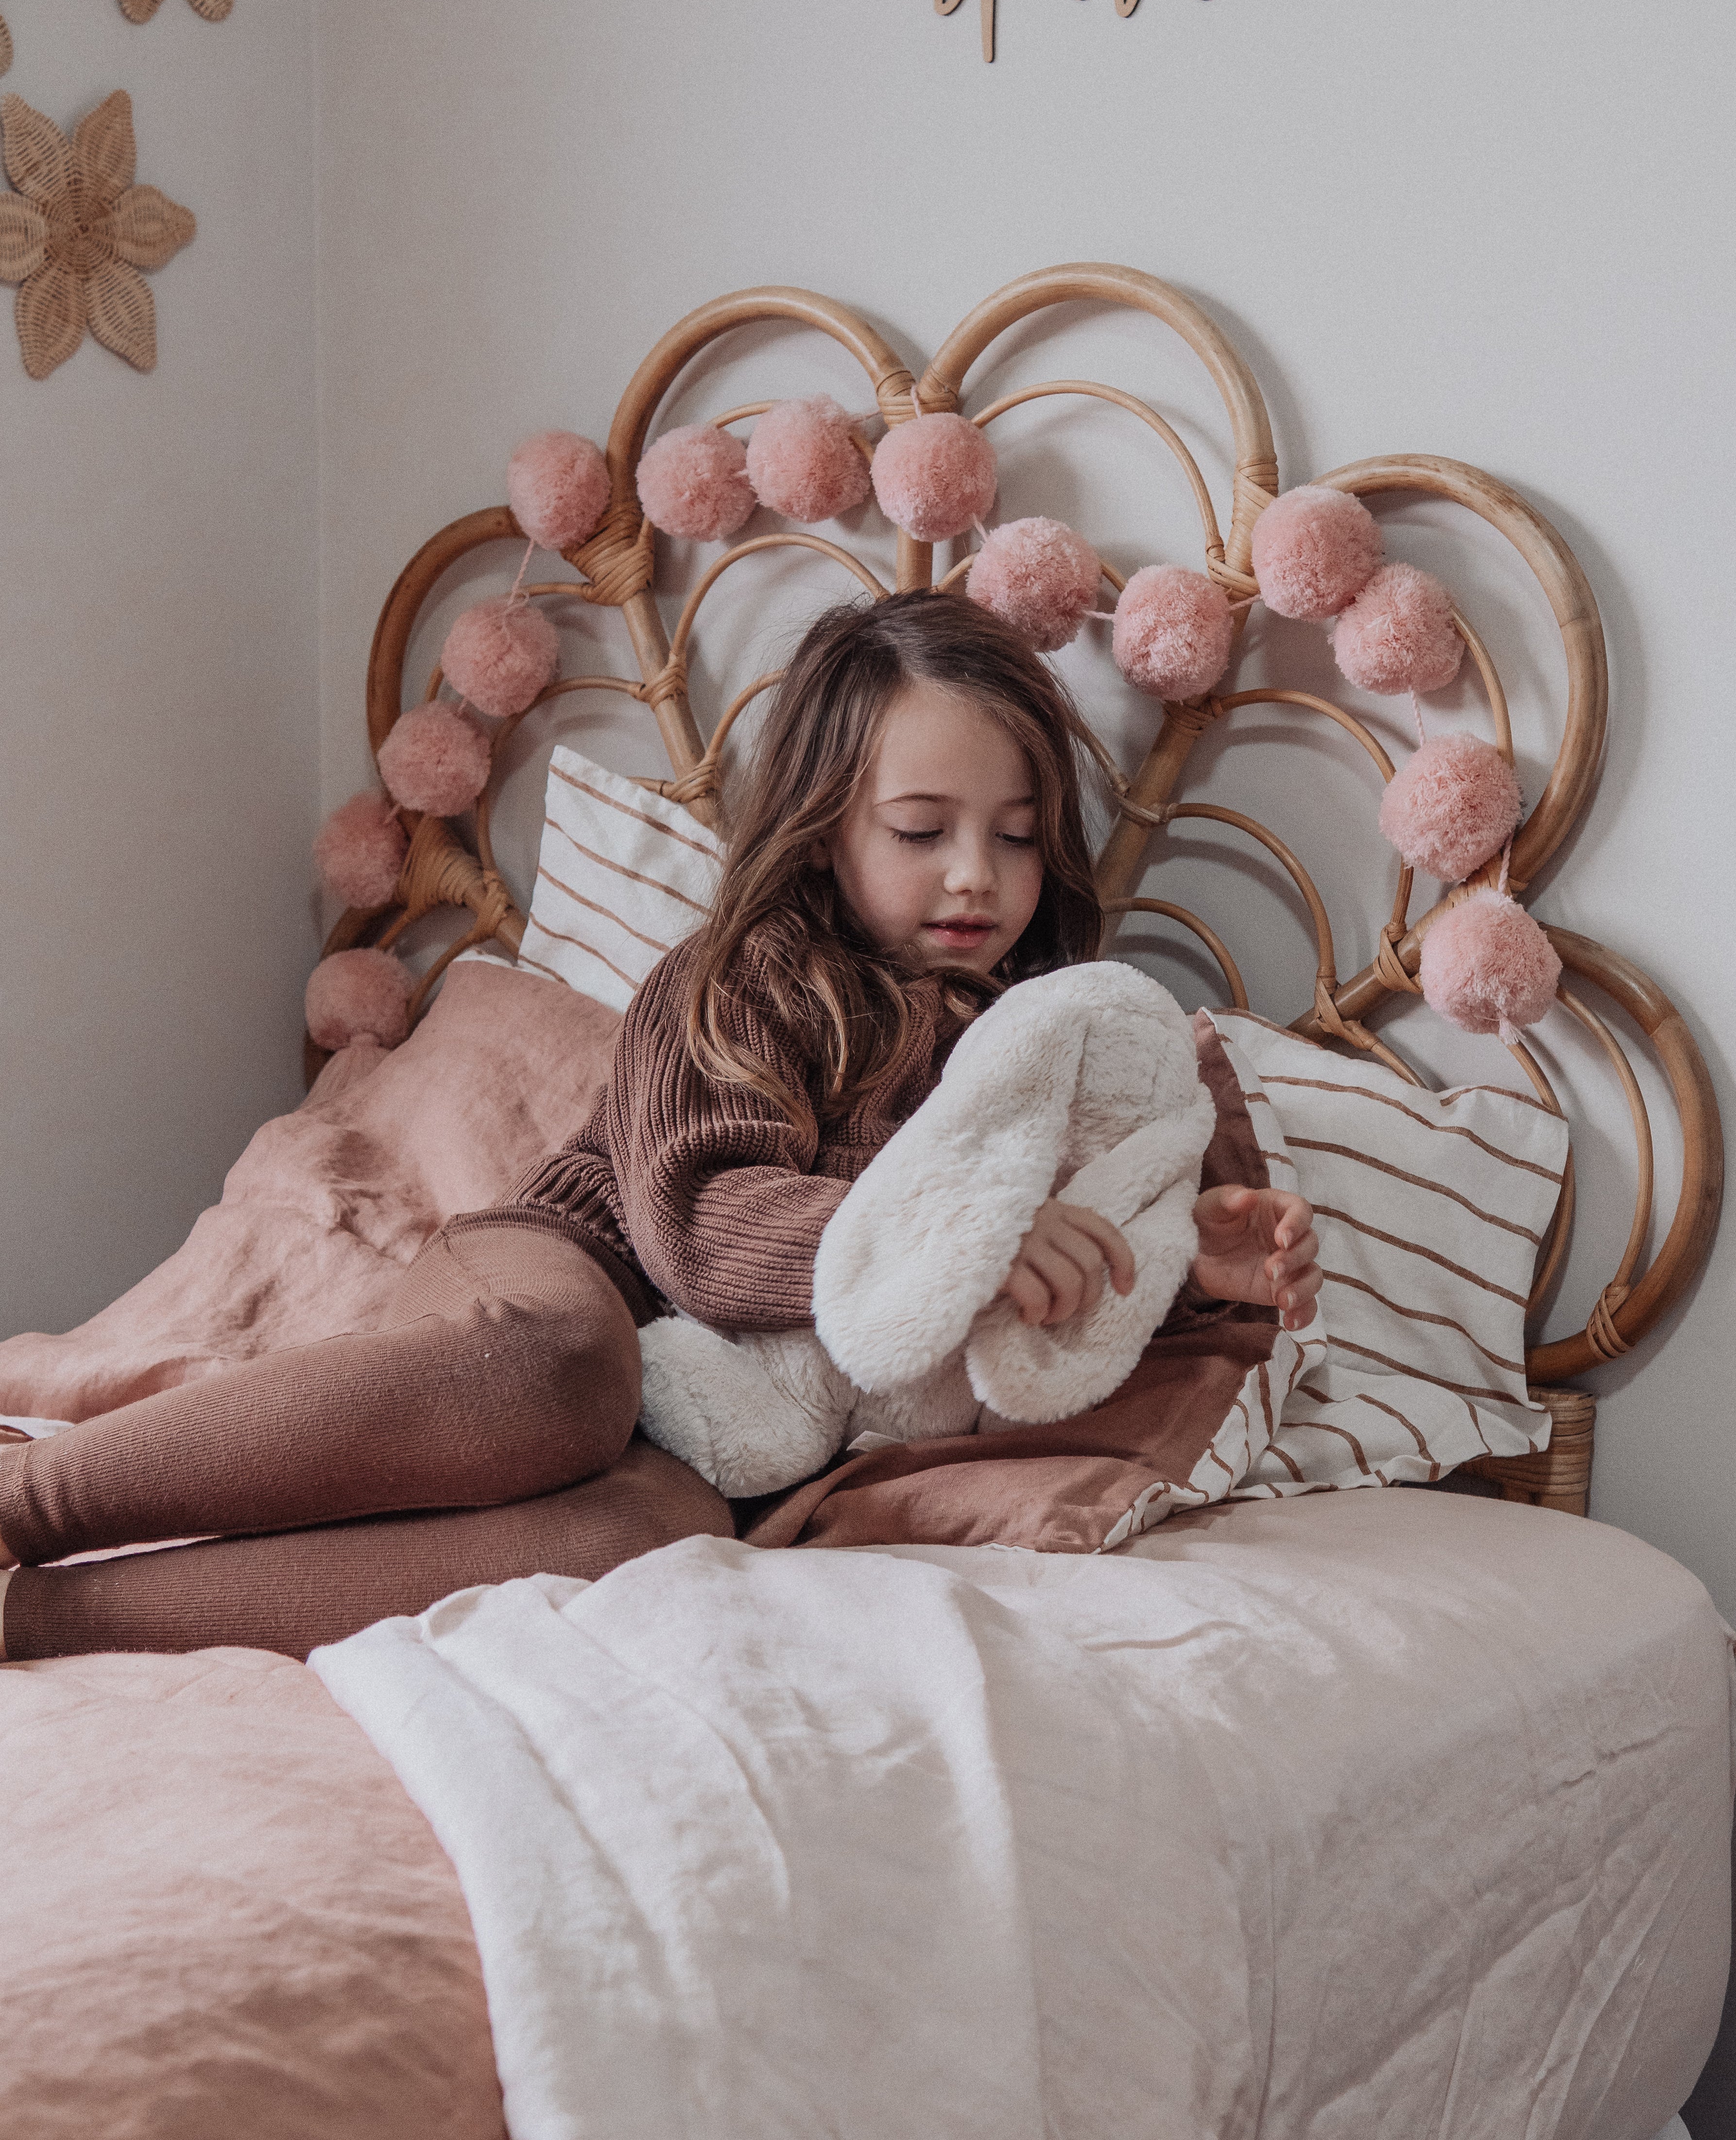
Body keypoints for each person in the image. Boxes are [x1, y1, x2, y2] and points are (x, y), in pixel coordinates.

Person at [0, 591, 1319, 1661]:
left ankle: (43, 1620)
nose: (977, 873)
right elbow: (699, 1224)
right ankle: (30, 1506)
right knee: (559, 1369)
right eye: (923, 829)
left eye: (1019, 837)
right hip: (570, 1281)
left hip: (715, 1430)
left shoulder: (1048, 1051)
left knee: (636, 1552)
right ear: (820, 832)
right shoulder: (736, 973)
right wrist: (965, 1230)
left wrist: (1183, 1256)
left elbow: (1062, 1330)